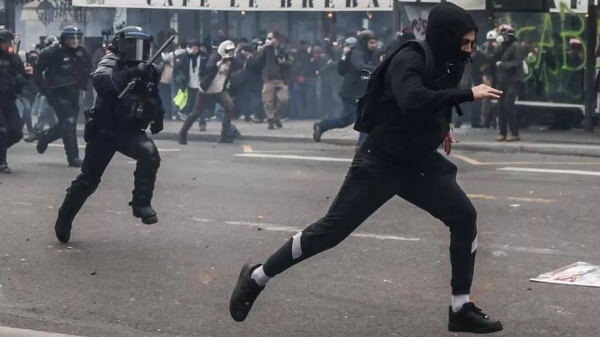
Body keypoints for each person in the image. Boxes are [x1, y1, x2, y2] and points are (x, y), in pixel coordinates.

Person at [229, 3, 504, 334]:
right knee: (329, 232)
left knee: (464, 217)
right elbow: (413, 98)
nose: (469, 50)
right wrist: (467, 95)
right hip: (381, 162)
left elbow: (431, 101)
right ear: (446, 36)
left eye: (472, 43)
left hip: (417, 163)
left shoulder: (450, 61)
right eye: (465, 42)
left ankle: (460, 308)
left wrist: (443, 126)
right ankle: (257, 276)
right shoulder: (410, 57)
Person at [52, 26, 165, 244]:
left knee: (149, 152)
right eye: (133, 45)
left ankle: (141, 203)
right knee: (88, 180)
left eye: (143, 46)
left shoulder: (149, 69)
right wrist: (132, 72)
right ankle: (64, 218)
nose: (138, 51)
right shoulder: (110, 62)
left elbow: (154, 94)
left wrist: (158, 116)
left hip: (130, 130)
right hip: (106, 130)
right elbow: (103, 85)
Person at [33, 26, 92, 167]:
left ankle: (45, 137)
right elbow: (38, 69)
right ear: (64, 39)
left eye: (77, 37)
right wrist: (44, 87)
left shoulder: (82, 52)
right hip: (57, 92)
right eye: (71, 38)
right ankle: (73, 157)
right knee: (69, 121)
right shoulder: (52, 52)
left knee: (65, 125)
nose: (75, 41)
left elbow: (90, 67)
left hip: (74, 92)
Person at [313, 31, 379, 146]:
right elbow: (359, 66)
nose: (374, 45)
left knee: (355, 119)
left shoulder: (370, 54)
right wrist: (378, 69)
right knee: (356, 119)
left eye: (375, 42)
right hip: (352, 92)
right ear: (365, 42)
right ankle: (361, 146)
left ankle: (322, 126)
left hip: (361, 92)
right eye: (371, 42)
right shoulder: (357, 52)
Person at [178, 40, 241, 144]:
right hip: (206, 91)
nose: (229, 53)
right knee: (195, 113)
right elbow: (209, 67)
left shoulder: (231, 59)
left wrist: (234, 55)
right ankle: (182, 133)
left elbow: (239, 64)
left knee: (229, 107)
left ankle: (225, 134)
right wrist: (220, 63)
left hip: (219, 90)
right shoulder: (215, 57)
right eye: (227, 51)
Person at [0, 29, 31, 173]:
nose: (7, 45)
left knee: (16, 132)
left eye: (8, 42)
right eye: (4, 42)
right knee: (2, 130)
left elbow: (22, 79)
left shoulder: (14, 59)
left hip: (9, 98)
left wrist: (27, 76)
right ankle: (2, 162)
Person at [494, 24, 524, 142]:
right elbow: (495, 56)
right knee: (500, 106)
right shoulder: (503, 46)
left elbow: (518, 63)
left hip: (513, 80)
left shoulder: (516, 46)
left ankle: (515, 133)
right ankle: (502, 133)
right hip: (502, 79)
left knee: (508, 105)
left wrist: (503, 65)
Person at [259, 31, 291, 130]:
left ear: (276, 38)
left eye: (270, 38)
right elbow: (260, 61)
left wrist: (284, 62)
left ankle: (276, 115)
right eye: (267, 38)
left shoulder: (283, 48)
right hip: (269, 78)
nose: (268, 40)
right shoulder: (266, 49)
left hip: (281, 78)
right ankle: (271, 119)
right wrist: (262, 50)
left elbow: (290, 62)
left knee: (283, 99)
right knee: (267, 101)